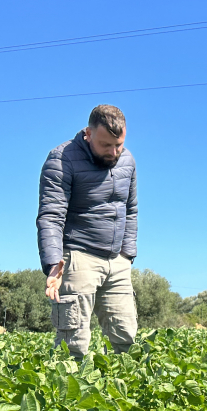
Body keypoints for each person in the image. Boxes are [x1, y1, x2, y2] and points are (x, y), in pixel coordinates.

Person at [37, 104, 138, 360]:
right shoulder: (61, 159)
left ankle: (121, 395)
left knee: (125, 336)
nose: (114, 152)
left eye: (119, 145)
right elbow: (51, 214)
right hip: (78, 256)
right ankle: (67, 396)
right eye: (106, 145)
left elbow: (131, 209)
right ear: (89, 134)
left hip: (117, 260)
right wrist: (52, 263)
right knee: (73, 342)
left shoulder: (127, 160)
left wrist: (127, 254)